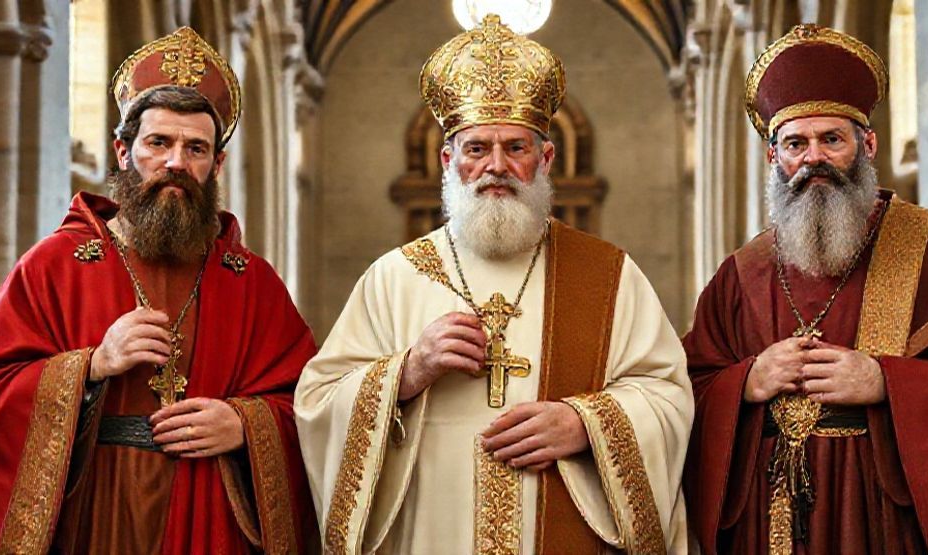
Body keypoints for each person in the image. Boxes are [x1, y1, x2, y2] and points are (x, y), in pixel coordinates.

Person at [294, 14, 693, 554]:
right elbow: (318, 402)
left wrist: (586, 424)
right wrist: (406, 373)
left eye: (516, 148)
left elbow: (667, 395)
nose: (495, 166)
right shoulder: (394, 276)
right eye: (477, 148)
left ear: (546, 158)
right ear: (448, 161)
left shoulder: (608, 274)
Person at [0, 27, 317, 554]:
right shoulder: (55, 265)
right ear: (123, 151)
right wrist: (90, 365)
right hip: (93, 509)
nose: (176, 161)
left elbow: (312, 404)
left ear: (215, 165)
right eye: (159, 143)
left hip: (208, 505)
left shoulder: (251, 281)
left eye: (195, 147)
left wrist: (245, 424)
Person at [683, 24, 928, 555]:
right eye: (796, 143)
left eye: (832, 140)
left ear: (867, 145)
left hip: (885, 521)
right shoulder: (742, 272)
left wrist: (889, 381)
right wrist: (746, 381)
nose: (813, 158)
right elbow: (685, 388)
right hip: (764, 522)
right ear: (774, 158)